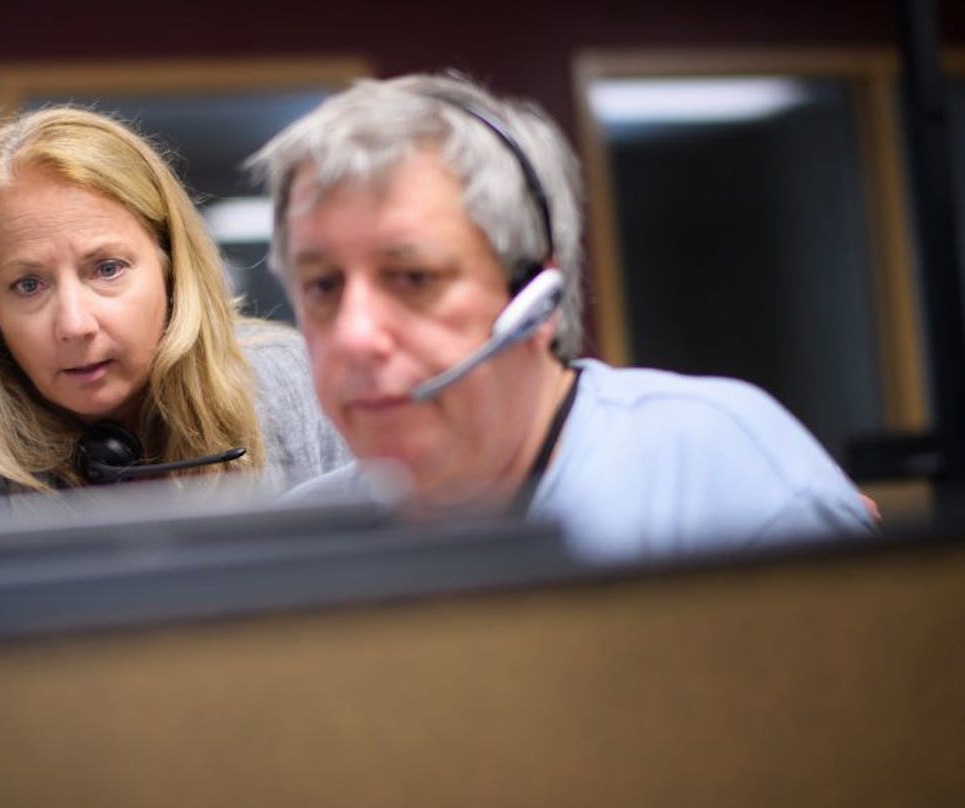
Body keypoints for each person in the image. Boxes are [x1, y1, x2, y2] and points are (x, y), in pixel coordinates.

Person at [247, 71, 875, 563]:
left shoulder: (719, 472)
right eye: (323, 286)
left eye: (414, 278)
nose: (354, 336)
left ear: (536, 301)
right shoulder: (299, 545)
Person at [0, 107, 348, 531]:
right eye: (28, 285)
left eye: (107, 269)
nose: (75, 324)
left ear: (173, 269)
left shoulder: (289, 383)